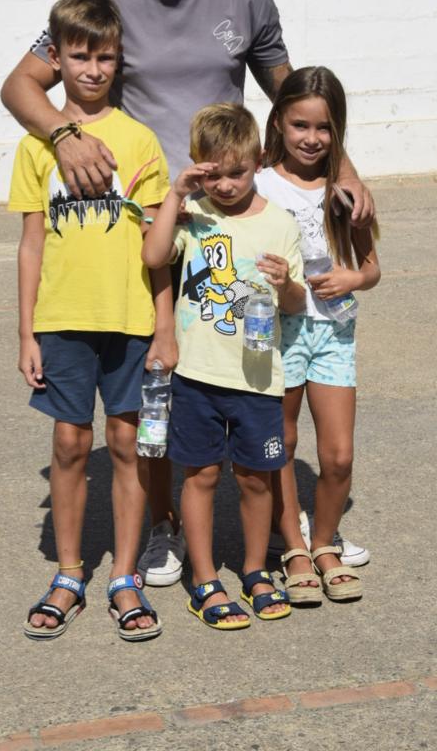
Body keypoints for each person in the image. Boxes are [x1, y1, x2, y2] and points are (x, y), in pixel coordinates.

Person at [1, 0, 375, 586]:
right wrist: (66, 136)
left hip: (227, 219)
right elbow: (20, 85)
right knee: (159, 385)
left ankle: (284, 522)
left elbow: (290, 95)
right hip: (146, 221)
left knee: (247, 370)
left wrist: (344, 167)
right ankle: (165, 525)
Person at [8, 0, 176, 641]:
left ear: (119, 58)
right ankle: (70, 573)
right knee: (70, 444)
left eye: (105, 57)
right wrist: (26, 332)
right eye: (80, 57)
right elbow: (30, 245)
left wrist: (164, 327)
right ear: (56, 59)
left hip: (130, 321)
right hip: (61, 322)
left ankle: (125, 577)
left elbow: (157, 250)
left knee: (128, 445)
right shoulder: (36, 146)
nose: (93, 69)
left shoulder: (140, 141)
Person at [142, 104, 306, 629]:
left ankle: (255, 570)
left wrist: (286, 285)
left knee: (257, 479)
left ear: (259, 161)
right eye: (214, 174)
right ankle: (206, 579)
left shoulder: (280, 223)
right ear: (197, 166)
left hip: (257, 377)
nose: (227, 185)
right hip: (197, 375)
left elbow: (297, 304)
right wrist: (176, 195)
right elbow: (153, 256)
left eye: (237, 172)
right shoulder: (194, 214)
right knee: (201, 475)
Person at [256, 67, 381, 604]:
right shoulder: (259, 184)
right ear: (278, 123)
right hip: (277, 331)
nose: (311, 138)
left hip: (334, 333)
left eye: (324, 128)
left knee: (338, 456)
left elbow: (371, 268)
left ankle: (325, 542)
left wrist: (353, 278)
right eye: (300, 125)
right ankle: (294, 548)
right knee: (281, 444)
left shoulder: (346, 189)